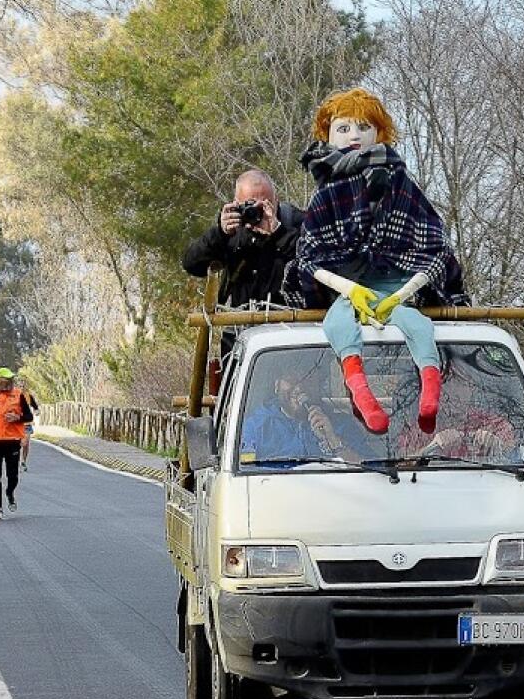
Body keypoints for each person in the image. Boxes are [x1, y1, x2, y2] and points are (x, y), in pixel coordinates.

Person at [282, 88, 469, 436]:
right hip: (349, 285)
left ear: (379, 132)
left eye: (363, 127)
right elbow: (310, 255)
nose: (354, 135)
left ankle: (430, 393)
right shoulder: (326, 186)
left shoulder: (397, 179)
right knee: (338, 324)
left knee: (415, 323)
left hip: (392, 280)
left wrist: (403, 292)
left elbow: (431, 240)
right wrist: (348, 287)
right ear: (328, 135)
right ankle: (363, 396)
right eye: (344, 128)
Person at [182, 169, 304, 359]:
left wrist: (279, 234)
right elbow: (191, 264)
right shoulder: (232, 231)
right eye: (248, 205)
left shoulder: (296, 223)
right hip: (241, 336)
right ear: (236, 204)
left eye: (264, 204)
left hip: (293, 333)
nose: (256, 211)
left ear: (276, 199)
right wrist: (220, 234)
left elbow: (319, 263)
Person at [240, 373, 369, 464]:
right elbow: (244, 476)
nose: (299, 388)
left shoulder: (341, 424)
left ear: (319, 386)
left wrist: (333, 440)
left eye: (308, 380)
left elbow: (370, 472)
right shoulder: (256, 427)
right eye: (291, 379)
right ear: (277, 386)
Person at [0, 368, 34, 520]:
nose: (10, 384)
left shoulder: (18, 395)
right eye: (6, 381)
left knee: (12, 476)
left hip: (12, 441)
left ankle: (10, 492)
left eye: (11, 381)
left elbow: (29, 415)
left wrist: (17, 417)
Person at [20, 385, 40, 471]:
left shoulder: (29, 396)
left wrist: (37, 412)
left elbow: (35, 407)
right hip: (16, 424)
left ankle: (23, 461)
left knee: (25, 443)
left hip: (27, 424)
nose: (21, 387)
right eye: (19, 386)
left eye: (23, 386)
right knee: (15, 445)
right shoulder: (13, 396)